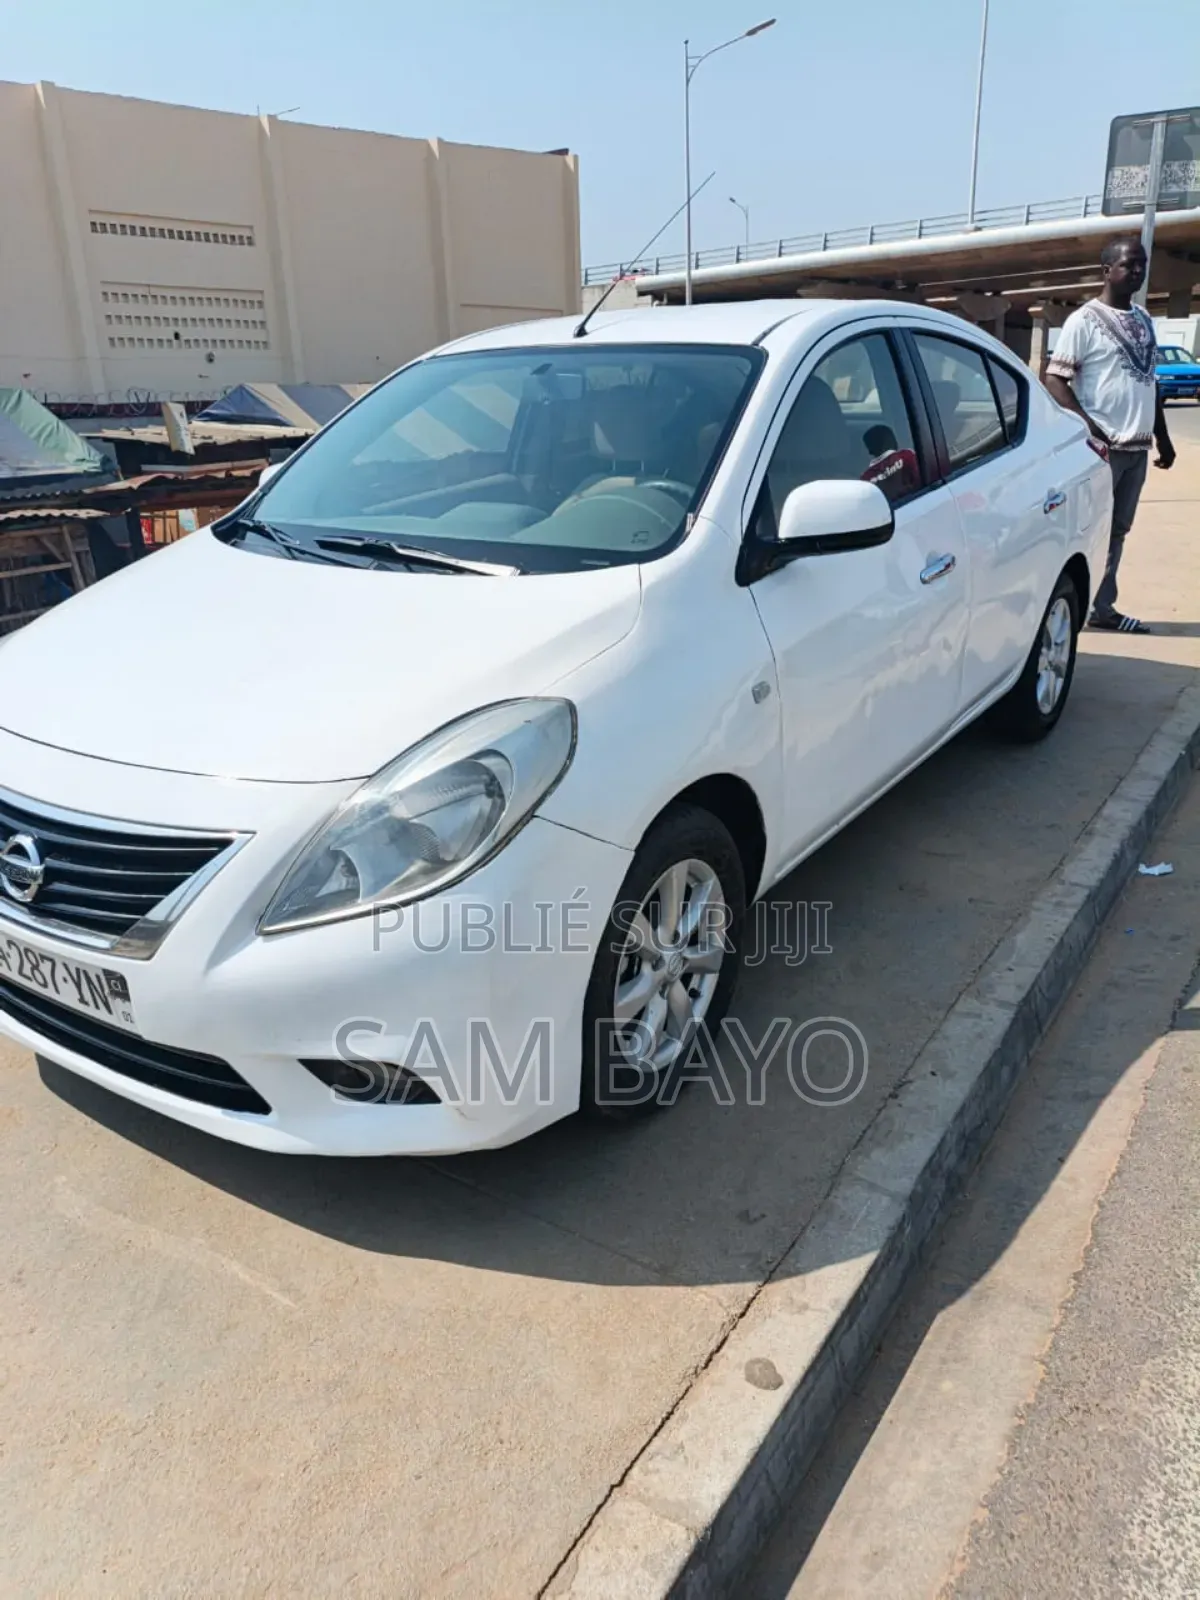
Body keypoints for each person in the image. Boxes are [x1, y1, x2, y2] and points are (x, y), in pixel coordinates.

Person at [1045, 239, 1175, 634]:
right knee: (1086, 530)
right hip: (1101, 450)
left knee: (1118, 530)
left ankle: (1103, 607)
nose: (1136, 271)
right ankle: (1067, 608)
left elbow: (1149, 384)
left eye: (1141, 265)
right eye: (1128, 265)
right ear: (1107, 270)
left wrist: (1163, 437)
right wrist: (1091, 428)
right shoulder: (1084, 320)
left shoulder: (1144, 319)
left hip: (1137, 448)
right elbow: (1054, 379)